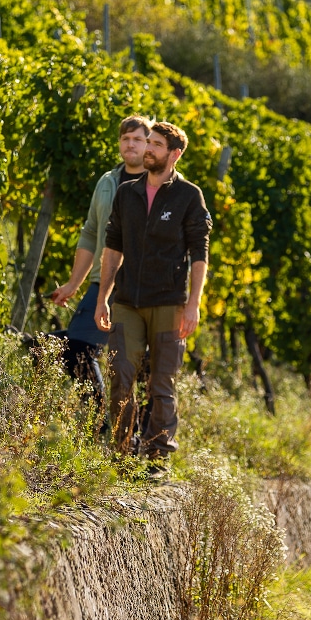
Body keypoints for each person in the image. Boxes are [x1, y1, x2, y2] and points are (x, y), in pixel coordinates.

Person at [94, 121, 212, 475]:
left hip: (168, 303)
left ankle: (158, 457)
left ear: (174, 154)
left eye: (156, 145)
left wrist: (193, 304)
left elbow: (199, 253)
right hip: (127, 300)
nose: (148, 150)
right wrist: (103, 298)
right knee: (121, 376)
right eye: (148, 143)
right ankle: (121, 454)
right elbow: (112, 247)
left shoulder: (189, 196)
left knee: (162, 383)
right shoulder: (126, 193)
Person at [50, 115, 152, 415]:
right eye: (125, 138)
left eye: (137, 138)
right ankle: (98, 422)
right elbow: (91, 232)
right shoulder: (107, 182)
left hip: (144, 288)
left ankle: (138, 439)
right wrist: (72, 284)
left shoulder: (163, 182)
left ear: (149, 143)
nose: (130, 144)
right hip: (103, 283)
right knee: (77, 347)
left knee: (139, 365)